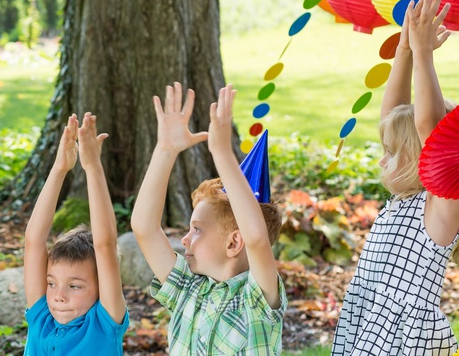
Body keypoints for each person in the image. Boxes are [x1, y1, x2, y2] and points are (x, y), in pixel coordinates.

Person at [332, 0, 459, 355]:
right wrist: (404, 48)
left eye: (391, 153)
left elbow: (429, 128)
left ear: (425, 159)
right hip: (371, 325)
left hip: (406, 341)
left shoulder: (441, 206)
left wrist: (423, 54)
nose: (381, 160)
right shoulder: (405, 197)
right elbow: (394, 114)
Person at [131, 83, 286, 354]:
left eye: (198, 230)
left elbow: (257, 239)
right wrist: (165, 150)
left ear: (234, 242)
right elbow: (144, 228)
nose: (185, 238)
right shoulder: (188, 289)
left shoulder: (256, 298)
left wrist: (222, 153)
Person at [21, 112, 129, 355]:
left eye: (75, 286)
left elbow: (105, 245)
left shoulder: (103, 325)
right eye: (51, 283)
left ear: (102, 287)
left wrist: (92, 169)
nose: (59, 296)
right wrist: (59, 169)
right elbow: (34, 242)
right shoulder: (42, 318)